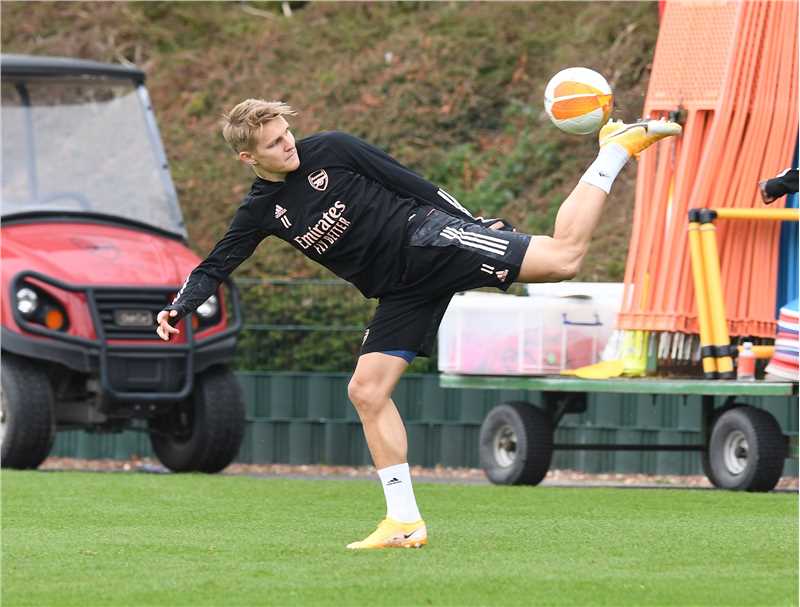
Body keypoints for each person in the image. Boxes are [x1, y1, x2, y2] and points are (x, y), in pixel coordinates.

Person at [156, 99, 680, 549]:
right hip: (400, 290)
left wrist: (471, 224)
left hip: (430, 240)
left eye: (286, 132)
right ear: (248, 158)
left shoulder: (332, 148)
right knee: (366, 391)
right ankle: (403, 522)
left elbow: (412, 183)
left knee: (563, 259)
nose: (288, 144)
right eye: (274, 143)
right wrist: (179, 307)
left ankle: (614, 149)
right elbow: (218, 263)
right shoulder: (261, 210)